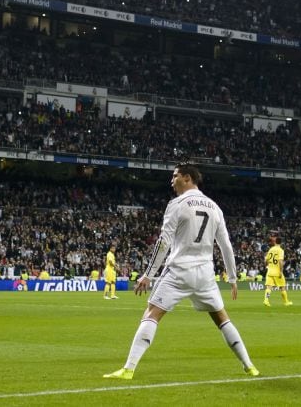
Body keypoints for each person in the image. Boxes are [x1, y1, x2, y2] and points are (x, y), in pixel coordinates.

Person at [103, 163, 258, 380]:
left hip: (178, 271)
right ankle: (249, 365)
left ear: (187, 178)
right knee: (222, 318)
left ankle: (128, 369)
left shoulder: (177, 204)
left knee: (151, 314)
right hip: (205, 273)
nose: (171, 180)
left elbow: (163, 242)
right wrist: (232, 278)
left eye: (175, 176)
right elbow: (226, 246)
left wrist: (149, 274)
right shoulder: (215, 207)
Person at [263, 236, 292, 307]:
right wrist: (281, 271)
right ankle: (286, 302)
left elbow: (265, 260)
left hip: (270, 271)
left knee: (269, 287)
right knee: (282, 287)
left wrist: (267, 266)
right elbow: (280, 261)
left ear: (275, 242)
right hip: (277, 271)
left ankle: (266, 301)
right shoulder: (281, 250)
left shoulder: (271, 249)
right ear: (281, 243)